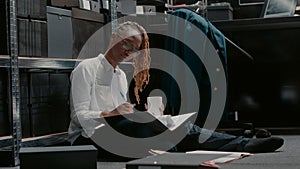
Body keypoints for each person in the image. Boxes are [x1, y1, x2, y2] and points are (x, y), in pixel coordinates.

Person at [67, 21, 284, 159]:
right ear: (114, 38)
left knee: (171, 127)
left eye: (134, 50)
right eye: (127, 45)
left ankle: (244, 144)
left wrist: (140, 112)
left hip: (118, 129)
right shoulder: (87, 68)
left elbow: (122, 112)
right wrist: (113, 113)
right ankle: (242, 143)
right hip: (91, 137)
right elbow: (79, 118)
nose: (130, 52)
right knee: (165, 137)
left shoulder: (121, 75)